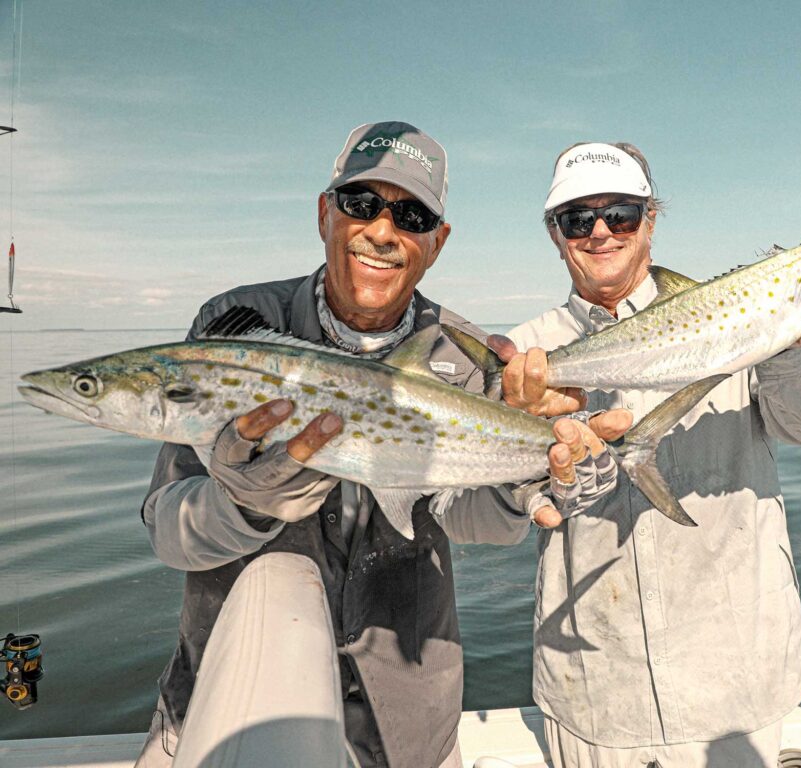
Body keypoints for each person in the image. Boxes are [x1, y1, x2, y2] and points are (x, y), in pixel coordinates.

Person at [134, 123, 625, 768]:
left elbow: (473, 518)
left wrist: (530, 472)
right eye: (362, 204)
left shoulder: (463, 353)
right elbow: (170, 534)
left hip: (406, 729)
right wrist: (244, 505)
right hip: (228, 710)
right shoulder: (235, 330)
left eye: (412, 214)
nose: (383, 231)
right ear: (324, 213)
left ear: (437, 242)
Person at [499, 142, 801, 767]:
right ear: (554, 233)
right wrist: (542, 475)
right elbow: (502, 503)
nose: (600, 232)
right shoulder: (525, 356)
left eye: (619, 213)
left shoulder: (741, 310)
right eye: (577, 218)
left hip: (738, 682)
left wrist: (795, 342)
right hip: (596, 690)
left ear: (650, 219)